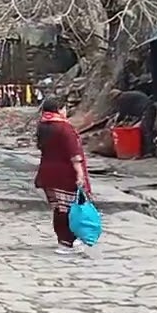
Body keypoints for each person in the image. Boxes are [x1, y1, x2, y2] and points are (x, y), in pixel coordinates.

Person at [35, 97, 93, 255]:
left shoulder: (42, 126)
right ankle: (68, 242)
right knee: (69, 209)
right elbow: (73, 153)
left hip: (47, 174)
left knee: (59, 209)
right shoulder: (64, 128)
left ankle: (63, 241)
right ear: (59, 109)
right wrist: (80, 173)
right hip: (64, 174)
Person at [109, 87, 157, 157]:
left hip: (147, 109)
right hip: (149, 108)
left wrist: (117, 122)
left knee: (145, 129)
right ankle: (152, 147)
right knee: (148, 128)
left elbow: (123, 112)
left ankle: (149, 151)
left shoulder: (122, 98)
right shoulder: (127, 95)